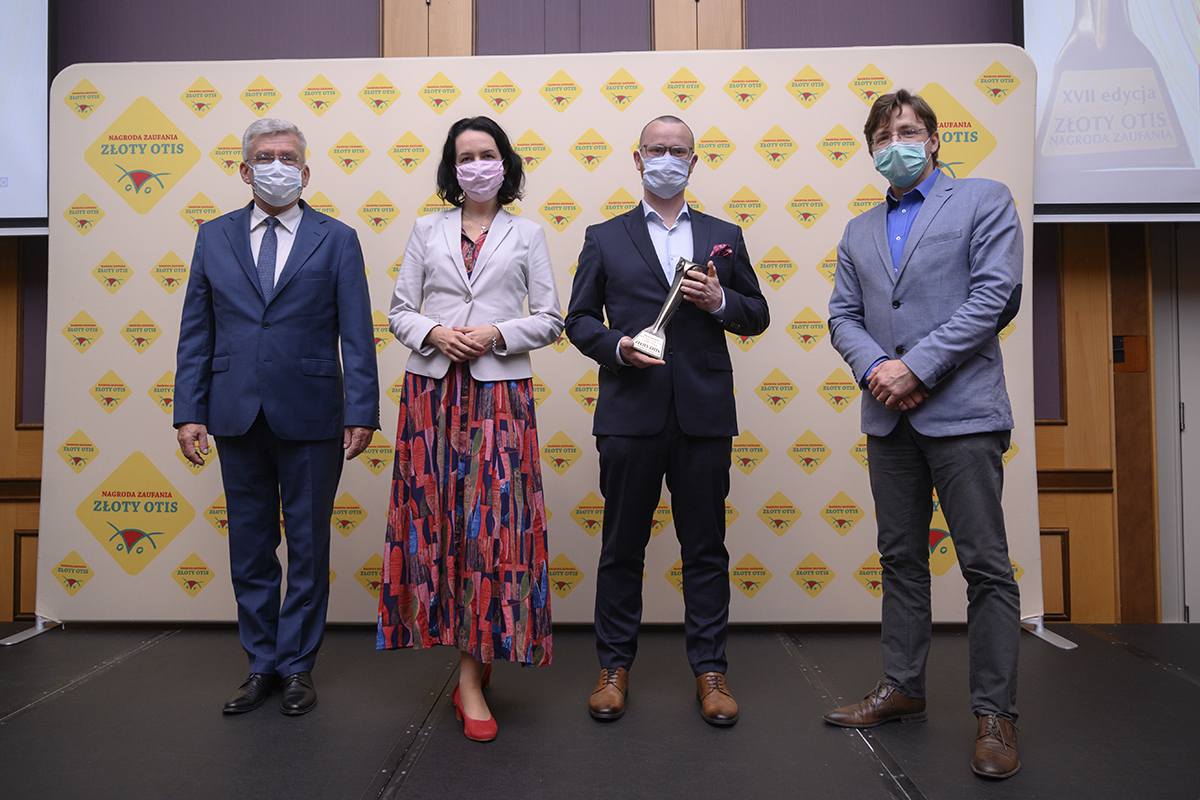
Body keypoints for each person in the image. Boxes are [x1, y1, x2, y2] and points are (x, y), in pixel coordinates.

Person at [824, 89, 1024, 779]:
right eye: (883, 137)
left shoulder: (984, 199)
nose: (896, 145)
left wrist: (917, 367)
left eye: (908, 132)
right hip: (889, 417)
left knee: (985, 567)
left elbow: (994, 297)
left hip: (963, 413)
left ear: (935, 140)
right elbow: (842, 315)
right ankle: (903, 687)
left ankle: (994, 715)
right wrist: (877, 367)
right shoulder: (858, 231)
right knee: (901, 559)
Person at [565, 115, 769, 727]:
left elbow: (756, 314)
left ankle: (711, 671)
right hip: (630, 414)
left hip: (703, 415)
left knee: (705, 548)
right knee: (621, 547)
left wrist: (721, 301)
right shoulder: (605, 237)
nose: (667, 158)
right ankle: (613, 668)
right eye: (656, 149)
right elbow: (578, 320)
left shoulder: (723, 235)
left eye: (679, 150)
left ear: (694, 161)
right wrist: (618, 346)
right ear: (637, 158)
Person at [174, 118, 379, 716]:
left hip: (313, 413)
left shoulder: (337, 239)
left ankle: (297, 666)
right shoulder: (213, 237)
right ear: (244, 170)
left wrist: (361, 410)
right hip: (234, 411)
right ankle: (260, 663)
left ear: (306, 171)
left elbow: (357, 333)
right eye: (265, 157)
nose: (277, 166)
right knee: (251, 546)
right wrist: (189, 410)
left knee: (310, 547)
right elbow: (196, 331)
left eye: (288, 157)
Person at [379, 116, 562, 743]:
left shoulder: (527, 233)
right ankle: (469, 665)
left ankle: (472, 673)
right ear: (451, 169)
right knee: (440, 523)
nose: (477, 165)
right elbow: (400, 311)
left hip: (500, 394)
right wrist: (434, 332)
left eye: (487, 154)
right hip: (431, 393)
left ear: (504, 163)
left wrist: (496, 334)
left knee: (495, 528)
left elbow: (551, 318)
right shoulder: (425, 229)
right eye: (465, 156)